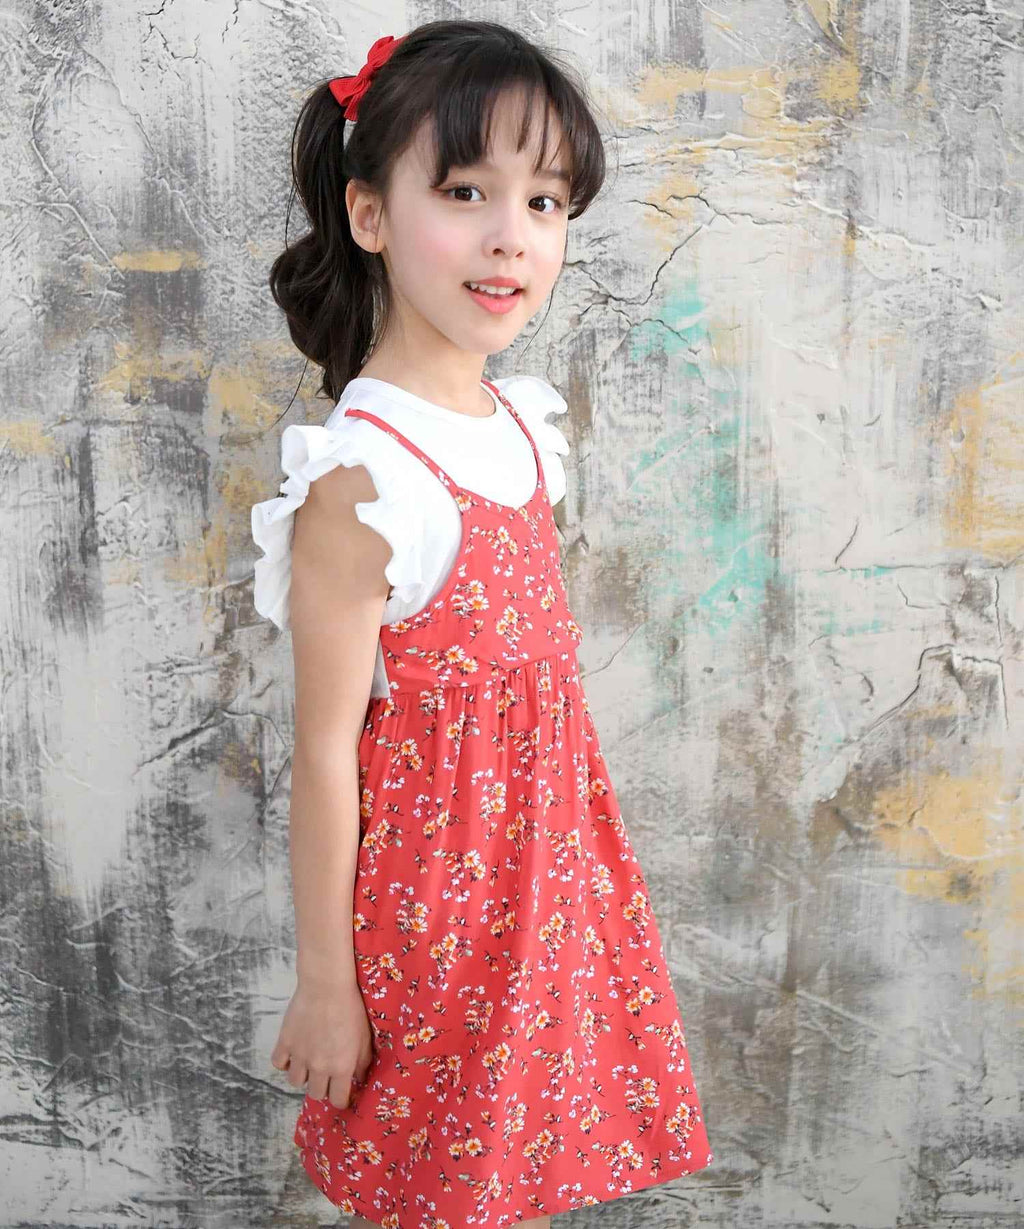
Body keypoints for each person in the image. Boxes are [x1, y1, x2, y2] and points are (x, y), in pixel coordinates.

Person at [249, 18, 713, 1228]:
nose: (512, 234)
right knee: (440, 1192)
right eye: (465, 192)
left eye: (544, 201)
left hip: (548, 889)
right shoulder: (363, 479)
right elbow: (324, 752)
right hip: (435, 926)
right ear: (368, 214)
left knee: (522, 1182)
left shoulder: (521, 429)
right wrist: (326, 983)